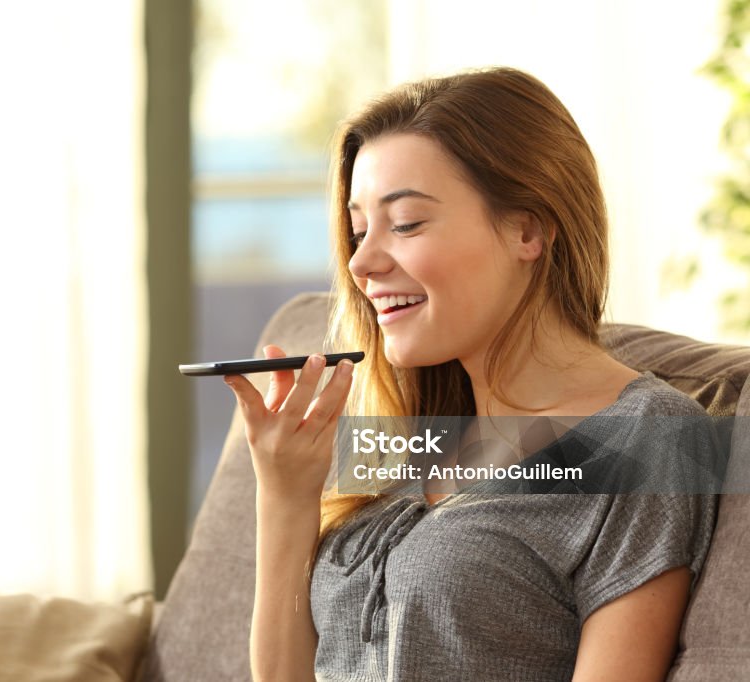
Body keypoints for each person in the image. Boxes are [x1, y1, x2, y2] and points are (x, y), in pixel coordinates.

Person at [222, 67, 717, 681]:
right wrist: (285, 495)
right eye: (358, 231)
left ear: (526, 229)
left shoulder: (649, 438)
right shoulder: (412, 435)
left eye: (405, 224)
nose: (361, 262)